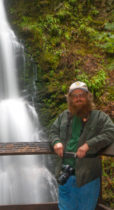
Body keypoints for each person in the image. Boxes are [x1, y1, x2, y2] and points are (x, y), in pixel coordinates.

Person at [49, 81, 114, 210]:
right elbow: (52, 131)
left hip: (87, 177)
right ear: (70, 99)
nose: (78, 98)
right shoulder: (63, 117)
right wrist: (56, 142)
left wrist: (89, 145)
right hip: (65, 175)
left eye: (82, 95)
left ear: (88, 96)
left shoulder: (99, 117)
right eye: (74, 95)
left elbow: (110, 132)